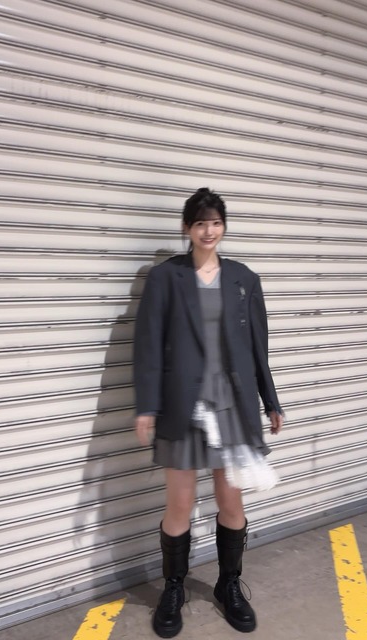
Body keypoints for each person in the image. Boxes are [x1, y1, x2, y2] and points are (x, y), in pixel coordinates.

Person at [133, 188, 284, 637]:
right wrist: (147, 405)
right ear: (187, 228)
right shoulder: (165, 278)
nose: (208, 230)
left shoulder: (243, 279)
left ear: (223, 227)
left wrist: (270, 400)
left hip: (231, 406)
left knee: (230, 500)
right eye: (200, 223)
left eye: (215, 222)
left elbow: (258, 346)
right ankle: (173, 588)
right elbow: (147, 344)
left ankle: (228, 584)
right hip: (183, 404)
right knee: (179, 503)